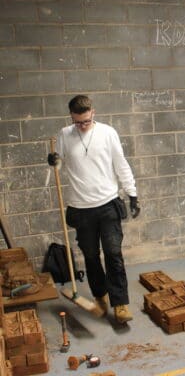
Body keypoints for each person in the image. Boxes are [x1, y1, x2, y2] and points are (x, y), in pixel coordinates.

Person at [48, 95, 140, 323]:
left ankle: (120, 304)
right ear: (71, 117)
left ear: (93, 113)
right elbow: (58, 167)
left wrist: (133, 194)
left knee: (113, 253)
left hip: (108, 204)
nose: (82, 126)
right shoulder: (64, 135)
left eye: (86, 121)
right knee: (90, 255)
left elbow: (121, 164)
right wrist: (52, 162)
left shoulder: (108, 133)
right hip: (80, 208)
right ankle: (101, 296)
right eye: (78, 122)